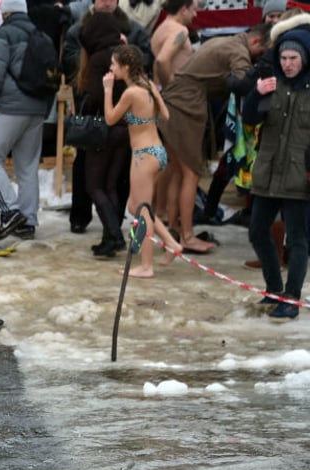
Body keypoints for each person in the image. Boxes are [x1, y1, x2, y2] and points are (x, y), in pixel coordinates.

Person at [157, 24, 269, 255]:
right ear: (256, 42)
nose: (260, 58)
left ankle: (174, 226)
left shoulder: (225, 40)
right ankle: (187, 236)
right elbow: (244, 84)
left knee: (178, 171)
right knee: (190, 173)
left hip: (174, 101)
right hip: (185, 105)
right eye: (262, 53)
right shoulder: (238, 51)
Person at [242, 27, 310, 320]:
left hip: (300, 176)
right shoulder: (270, 83)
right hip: (268, 172)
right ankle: (273, 288)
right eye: (283, 57)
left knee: (297, 239)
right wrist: (254, 96)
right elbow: (250, 118)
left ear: (305, 58)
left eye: (293, 57)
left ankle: (292, 297)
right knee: (257, 231)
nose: (288, 63)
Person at [104, 44, 182, 279]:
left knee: (142, 211)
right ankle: (171, 243)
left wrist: (108, 90)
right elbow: (165, 115)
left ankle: (146, 265)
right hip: (157, 152)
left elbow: (110, 119)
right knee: (134, 206)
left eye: (114, 64)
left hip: (143, 156)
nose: (111, 68)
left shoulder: (130, 93)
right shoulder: (147, 86)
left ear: (125, 67)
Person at [0, 0, 53, 242]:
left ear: (5, 12)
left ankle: (10, 211)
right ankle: (28, 222)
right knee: (28, 166)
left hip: (7, 107)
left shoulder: (3, 34)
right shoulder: (42, 35)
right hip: (37, 109)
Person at [75, 12, 131, 258]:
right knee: (110, 186)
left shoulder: (99, 58)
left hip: (102, 129)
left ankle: (115, 236)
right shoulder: (125, 53)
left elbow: (96, 96)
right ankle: (110, 237)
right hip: (124, 129)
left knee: (94, 186)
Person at [150, 0, 197, 88]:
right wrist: (170, 88)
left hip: (163, 89)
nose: (195, 14)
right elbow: (162, 60)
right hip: (175, 93)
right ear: (184, 10)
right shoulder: (180, 31)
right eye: (193, 9)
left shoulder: (161, 29)